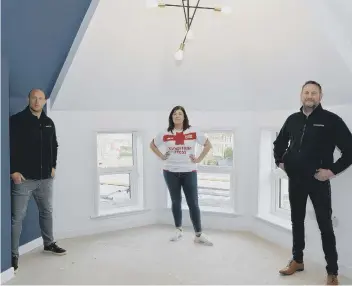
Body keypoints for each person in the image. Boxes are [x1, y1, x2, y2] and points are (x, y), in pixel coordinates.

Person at [273, 80, 352, 285]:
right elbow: (279, 143)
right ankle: (297, 260)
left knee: (325, 226)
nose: (310, 96)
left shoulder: (331, 120)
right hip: (296, 180)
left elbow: (350, 150)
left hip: (318, 181)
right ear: (301, 95)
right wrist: (280, 161)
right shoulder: (293, 119)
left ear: (320, 96)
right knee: (296, 221)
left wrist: (332, 171)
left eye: (314, 93)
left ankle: (332, 272)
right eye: (306, 92)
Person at [10, 89, 67, 273]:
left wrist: (53, 166)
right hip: (24, 179)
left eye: (40, 98)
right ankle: (12, 255)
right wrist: (13, 171)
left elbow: (54, 146)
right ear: (28, 99)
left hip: (45, 179)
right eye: (34, 98)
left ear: (44, 101)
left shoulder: (49, 122)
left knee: (47, 212)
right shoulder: (17, 120)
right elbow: (8, 145)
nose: (37, 101)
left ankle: (49, 243)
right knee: (17, 218)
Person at [150, 106, 213, 246]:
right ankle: (178, 229)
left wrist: (198, 159)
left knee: (193, 203)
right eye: (174, 114)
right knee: (175, 201)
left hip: (189, 171)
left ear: (184, 117)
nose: (177, 116)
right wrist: (162, 156)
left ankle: (198, 234)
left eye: (180, 113)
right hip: (170, 171)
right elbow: (152, 145)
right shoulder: (164, 133)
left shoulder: (193, 131)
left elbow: (208, 145)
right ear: (171, 117)